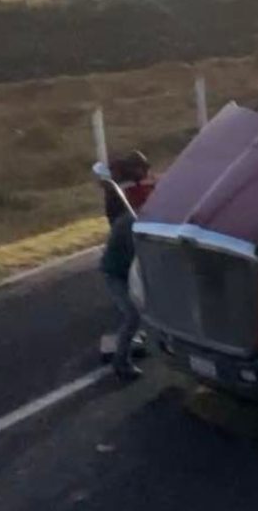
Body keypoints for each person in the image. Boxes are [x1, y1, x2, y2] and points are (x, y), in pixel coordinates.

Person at [100, 151, 154, 382]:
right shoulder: (133, 226)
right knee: (132, 315)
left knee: (144, 308)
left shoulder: (132, 219)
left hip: (125, 268)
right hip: (116, 273)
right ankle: (120, 363)